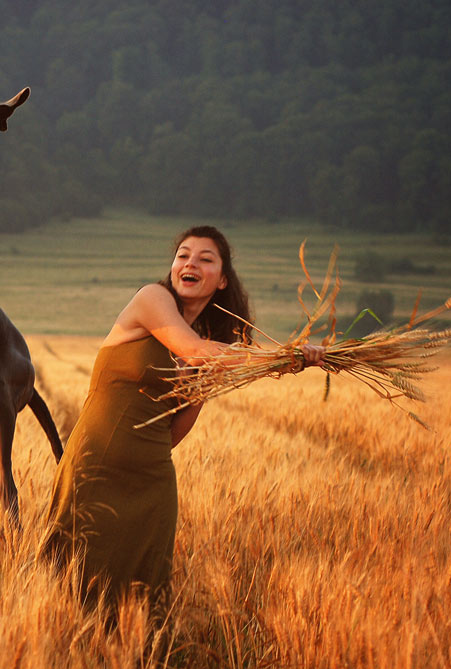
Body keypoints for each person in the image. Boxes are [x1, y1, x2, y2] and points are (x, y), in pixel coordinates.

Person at [43, 226, 324, 615]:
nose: (190, 262)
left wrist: (212, 383)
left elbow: (172, 433)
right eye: (183, 255)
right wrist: (287, 357)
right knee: (63, 590)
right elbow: (193, 349)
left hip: (152, 483)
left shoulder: (210, 346)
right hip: (95, 467)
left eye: (205, 258)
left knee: (140, 603)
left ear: (222, 280)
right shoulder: (152, 299)